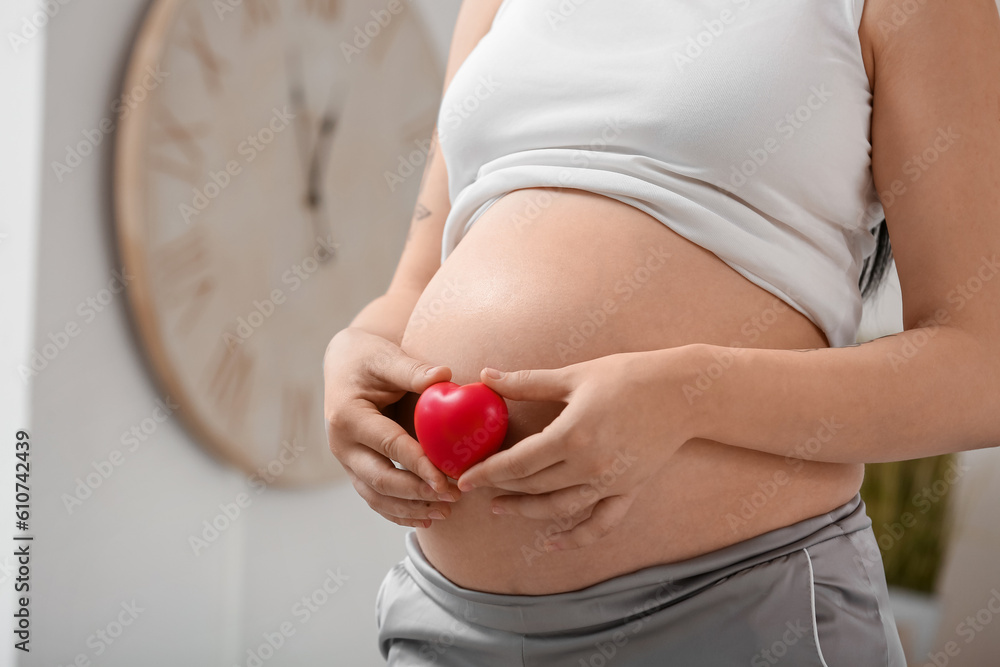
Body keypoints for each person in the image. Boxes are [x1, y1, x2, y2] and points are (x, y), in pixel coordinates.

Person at [323, 0, 1000, 664]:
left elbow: (983, 369)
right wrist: (351, 353)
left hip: (735, 609)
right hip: (449, 616)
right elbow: (413, 283)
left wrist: (688, 396)